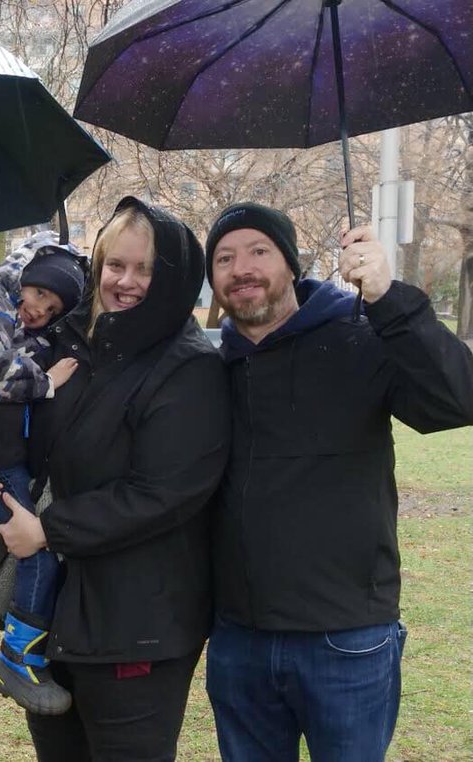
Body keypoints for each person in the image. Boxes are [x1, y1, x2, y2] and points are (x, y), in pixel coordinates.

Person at [0, 197, 229, 760]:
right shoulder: (73, 343)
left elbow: (163, 493)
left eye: (145, 268)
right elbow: (13, 417)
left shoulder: (188, 367)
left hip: (137, 626)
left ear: (173, 276)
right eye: (115, 265)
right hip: (54, 618)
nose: (125, 282)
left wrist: (48, 531)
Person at [202, 203, 473, 761]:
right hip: (239, 641)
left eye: (259, 251)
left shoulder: (360, 338)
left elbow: (457, 399)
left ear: (290, 263)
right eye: (224, 258)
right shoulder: (210, 367)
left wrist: (388, 297)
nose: (241, 268)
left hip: (346, 641)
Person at [0, 232, 84, 715]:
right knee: (38, 553)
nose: (41, 311)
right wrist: (49, 382)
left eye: (53, 307)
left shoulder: (13, 314)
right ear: (25, 279)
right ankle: (17, 659)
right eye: (41, 294)